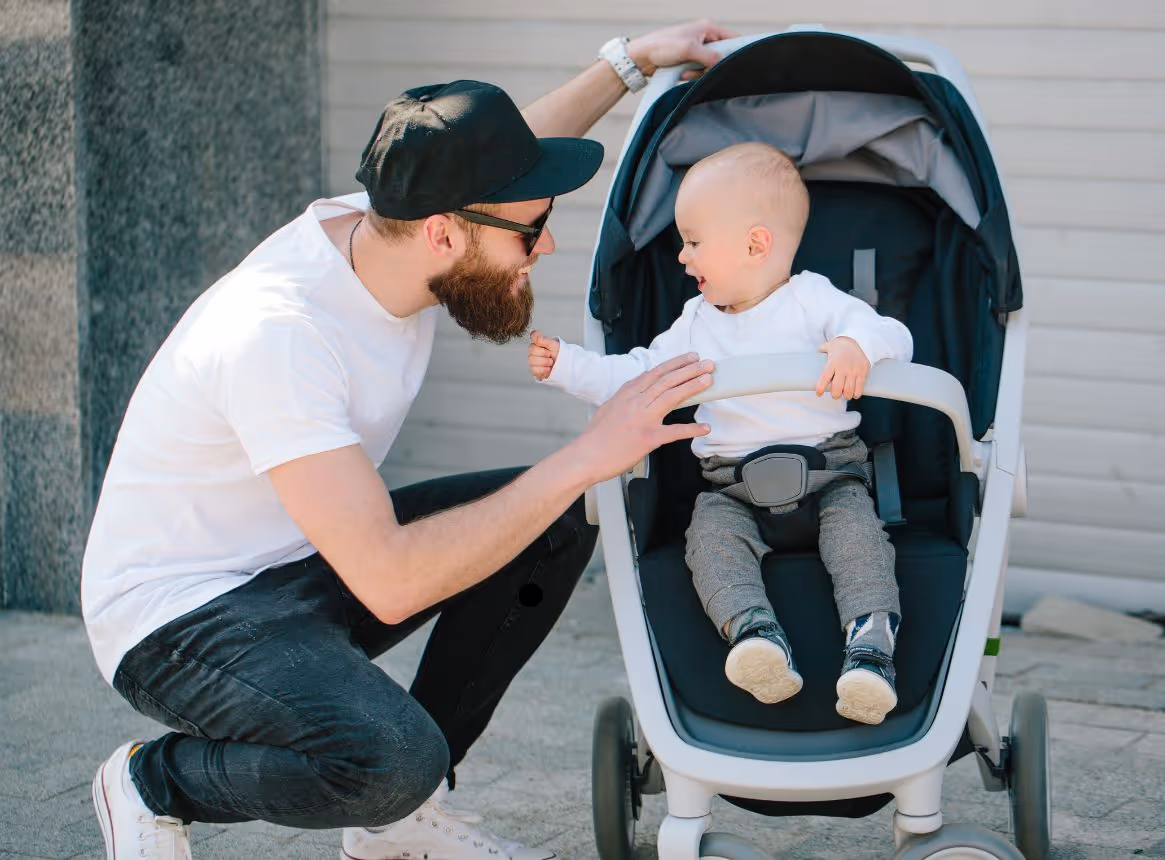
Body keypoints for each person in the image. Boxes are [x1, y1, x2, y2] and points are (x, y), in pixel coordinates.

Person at [82, 20, 736, 860]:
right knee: (389, 759)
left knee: (552, 524)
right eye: (531, 230)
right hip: (177, 618)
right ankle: (152, 783)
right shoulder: (279, 336)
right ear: (443, 234)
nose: (546, 243)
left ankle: (396, 826)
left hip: (298, 560)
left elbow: (507, 150)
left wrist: (633, 61)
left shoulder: (397, 221)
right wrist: (588, 452)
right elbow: (389, 583)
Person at [529, 142, 913, 725]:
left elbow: (893, 336)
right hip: (731, 486)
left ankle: (870, 647)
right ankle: (755, 637)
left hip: (830, 473)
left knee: (859, 540)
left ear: (755, 245)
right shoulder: (694, 325)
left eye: (693, 241)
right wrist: (568, 365)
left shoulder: (815, 301)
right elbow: (636, 377)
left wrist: (856, 346)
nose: (681, 256)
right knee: (708, 541)